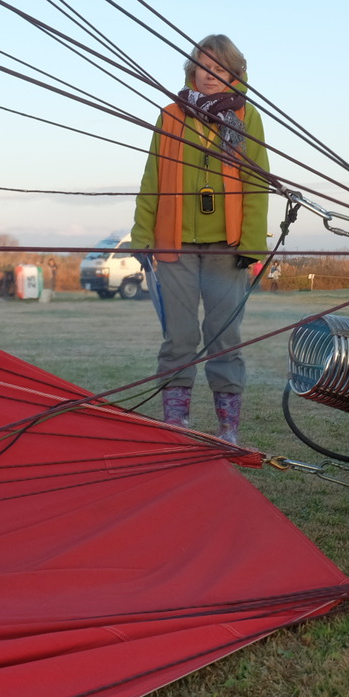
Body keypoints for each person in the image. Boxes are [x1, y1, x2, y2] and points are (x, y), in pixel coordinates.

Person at [130, 34, 271, 445]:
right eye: (204, 66)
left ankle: (228, 428)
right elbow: (152, 177)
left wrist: (250, 244)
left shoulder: (248, 116)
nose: (211, 76)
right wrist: (142, 235)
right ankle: (177, 424)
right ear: (192, 68)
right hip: (174, 244)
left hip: (228, 248)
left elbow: (256, 181)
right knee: (179, 337)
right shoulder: (171, 114)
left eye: (220, 69)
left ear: (234, 74)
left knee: (224, 337)